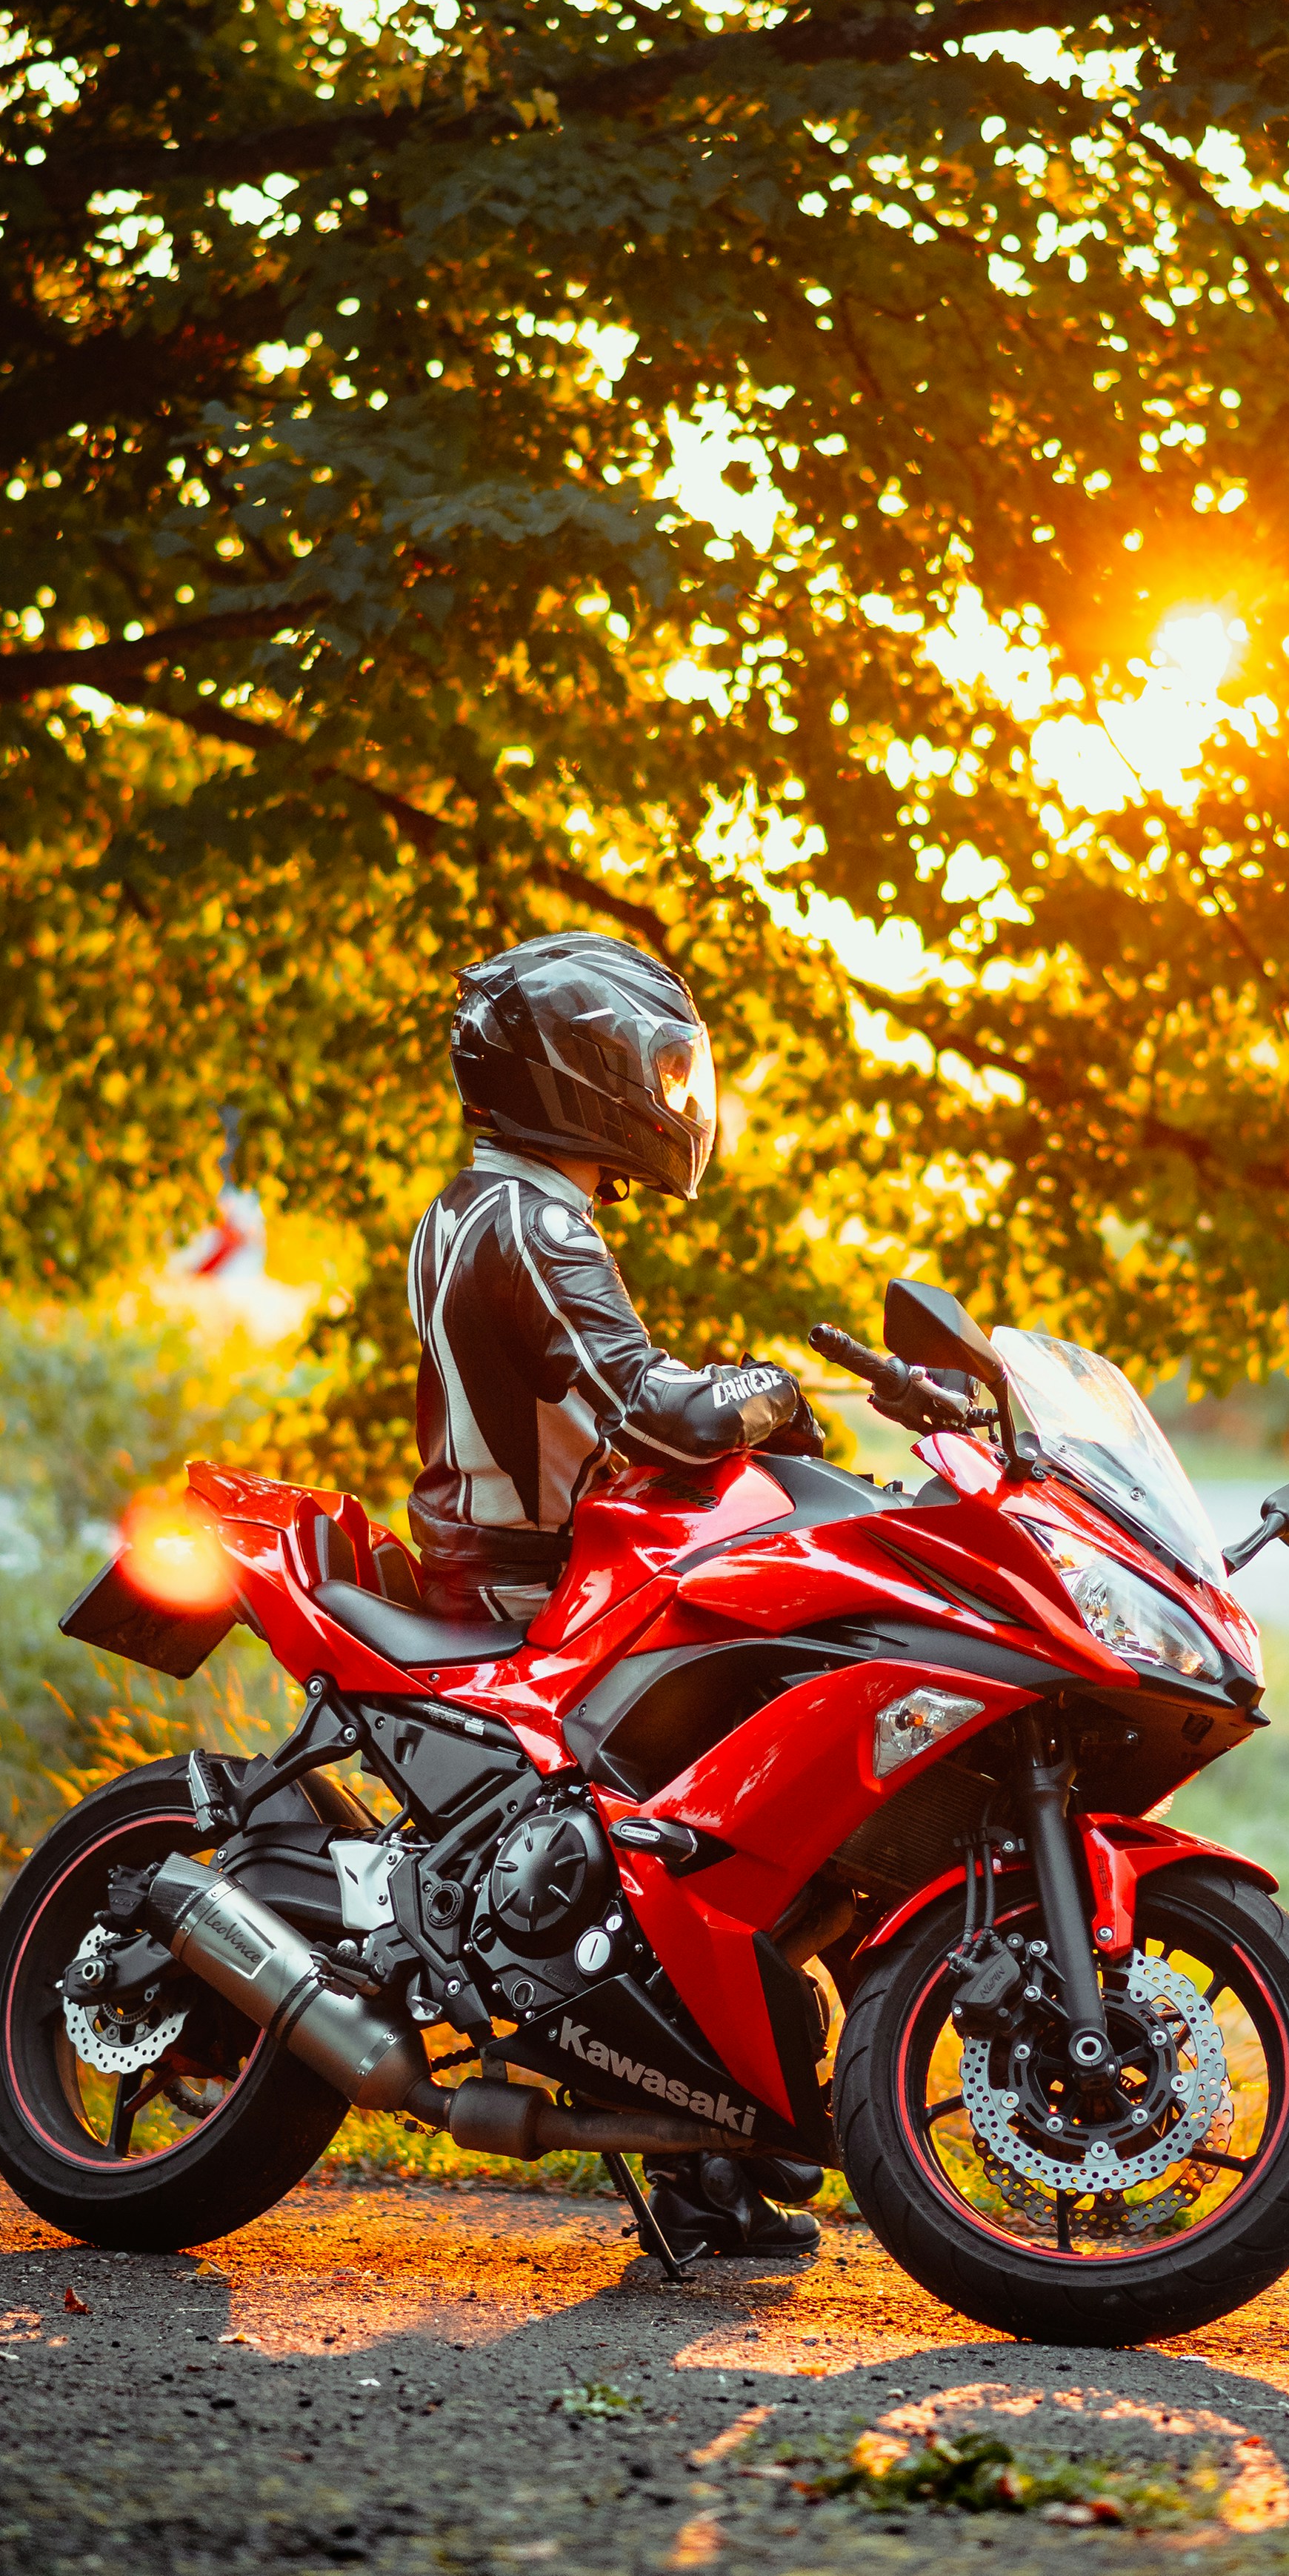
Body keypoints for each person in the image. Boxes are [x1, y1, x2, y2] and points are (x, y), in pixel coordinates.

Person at [405, 927, 825, 2264]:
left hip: (523, 1567)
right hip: (537, 1592)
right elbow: (653, 1409)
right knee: (714, 1834)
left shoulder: (489, 1206)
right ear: (573, 1069)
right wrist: (767, 1386)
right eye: (646, 1066)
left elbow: (601, 1389)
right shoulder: (531, 1221)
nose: (669, 1096)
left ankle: (709, 2150)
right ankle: (705, 2153)